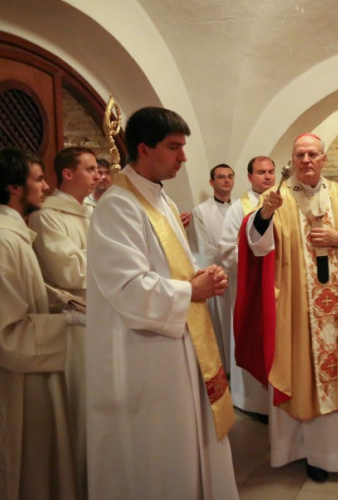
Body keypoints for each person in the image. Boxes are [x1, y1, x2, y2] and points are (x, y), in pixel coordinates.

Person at [86, 106, 238, 500]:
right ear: (143, 148)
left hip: (179, 341)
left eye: (183, 147)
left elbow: (171, 268)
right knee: (162, 452)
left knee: (189, 443)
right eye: (173, 147)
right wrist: (192, 291)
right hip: (148, 353)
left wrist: (202, 276)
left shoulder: (162, 200)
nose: (183, 157)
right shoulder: (119, 205)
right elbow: (127, 288)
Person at [236, 133, 338, 482]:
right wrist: (265, 213)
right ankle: (300, 451)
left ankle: (337, 454)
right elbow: (257, 246)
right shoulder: (277, 197)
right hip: (295, 307)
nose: (306, 160)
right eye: (300, 154)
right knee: (298, 373)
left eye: (313, 154)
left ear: (324, 159)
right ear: (292, 160)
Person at [0, 147, 82, 500]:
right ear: (14, 187)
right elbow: (3, 333)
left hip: (24, 377)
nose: (46, 186)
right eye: (38, 179)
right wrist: (69, 325)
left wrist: (66, 304)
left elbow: (23, 297)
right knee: (14, 471)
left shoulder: (11, 237)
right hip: (7, 387)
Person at [28, 146, 99, 499]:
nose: (97, 175)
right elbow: (68, 270)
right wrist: (112, 259)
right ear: (68, 174)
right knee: (80, 407)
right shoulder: (47, 216)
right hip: (73, 323)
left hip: (102, 317)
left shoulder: (93, 211)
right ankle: (79, 484)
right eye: (90, 169)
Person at [218, 156, 275, 415]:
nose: (267, 176)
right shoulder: (237, 209)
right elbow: (226, 250)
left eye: (271, 171)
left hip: (278, 286)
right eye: (261, 172)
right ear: (250, 177)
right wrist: (257, 259)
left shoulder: (284, 202)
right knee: (252, 335)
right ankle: (251, 401)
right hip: (251, 285)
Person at [188, 163, 235, 371]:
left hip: (239, 275)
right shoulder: (201, 211)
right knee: (221, 326)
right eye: (221, 177)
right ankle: (225, 371)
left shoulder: (241, 208)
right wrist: (228, 259)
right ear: (211, 182)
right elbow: (202, 247)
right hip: (218, 277)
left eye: (230, 176)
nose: (226, 180)